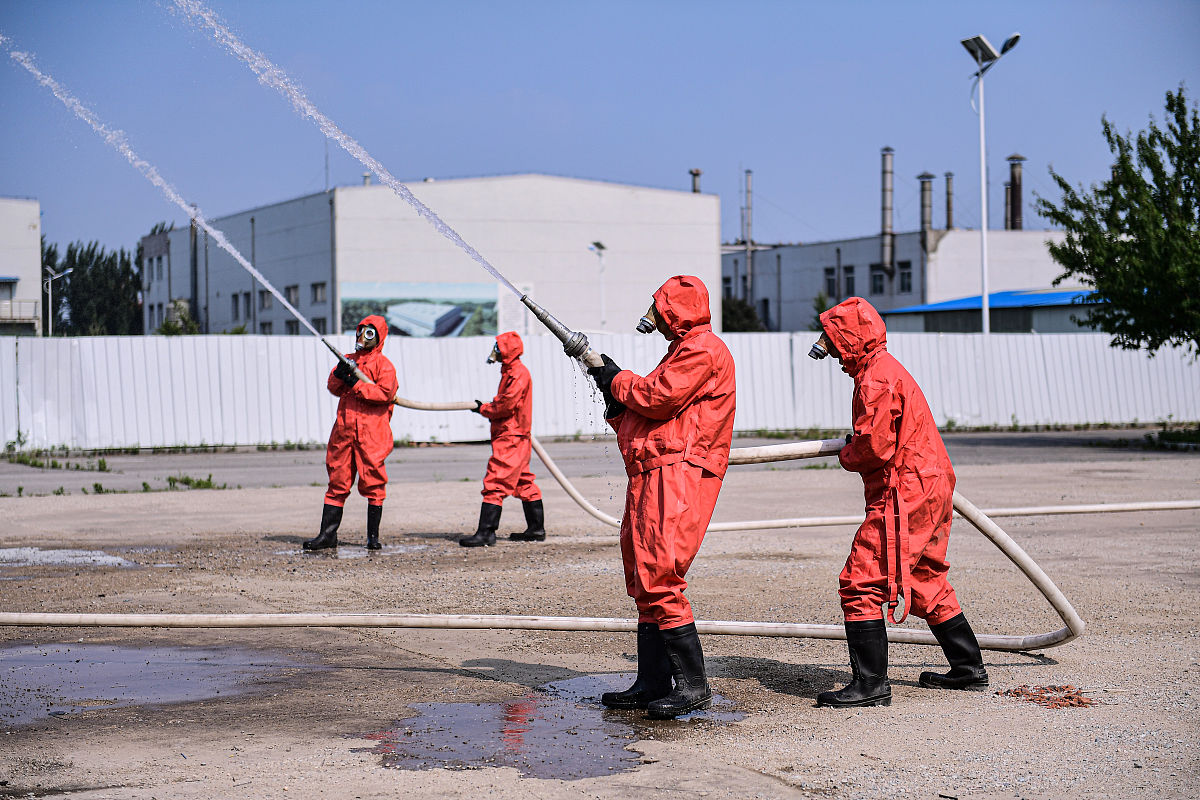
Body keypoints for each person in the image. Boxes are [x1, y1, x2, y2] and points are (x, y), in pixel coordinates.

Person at [808, 296, 988, 708]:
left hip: (905, 490)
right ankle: (968, 668)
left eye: (835, 344)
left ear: (850, 340)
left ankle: (871, 685)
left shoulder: (876, 379)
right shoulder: (884, 371)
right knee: (924, 578)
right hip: (928, 483)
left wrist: (847, 453)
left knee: (861, 579)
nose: (832, 353)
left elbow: (874, 448)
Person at [588, 275, 736, 719]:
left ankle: (693, 685)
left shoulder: (703, 349)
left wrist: (616, 379)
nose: (653, 315)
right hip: (655, 471)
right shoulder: (680, 352)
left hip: (678, 473)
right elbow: (648, 413)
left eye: (658, 306)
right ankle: (652, 680)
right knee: (642, 573)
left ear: (675, 308)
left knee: (659, 571)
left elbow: (657, 398)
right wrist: (615, 399)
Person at [304, 315, 398, 552]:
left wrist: (356, 384)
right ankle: (327, 535)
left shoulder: (384, 366)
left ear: (378, 337)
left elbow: (384, 394)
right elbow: (333, 388)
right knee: (337, 480)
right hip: (344, 431)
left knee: (374, 481)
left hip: (372, 433)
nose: (363, 337)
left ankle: (373, 538)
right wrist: (340, 375)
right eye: (361, 331)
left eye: (370, 333)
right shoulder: (346, 360)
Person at [460, 331, 546, 547]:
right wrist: (485, 408)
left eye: (498, 347)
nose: (495, 351)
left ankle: (486, 533)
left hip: (511, 436)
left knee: (495, 481)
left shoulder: (517, 374)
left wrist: (484, 409)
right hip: (515, 434)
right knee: (524, 481)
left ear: (505, 350)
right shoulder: (511, 372)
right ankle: (536, 529)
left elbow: (506, 405)